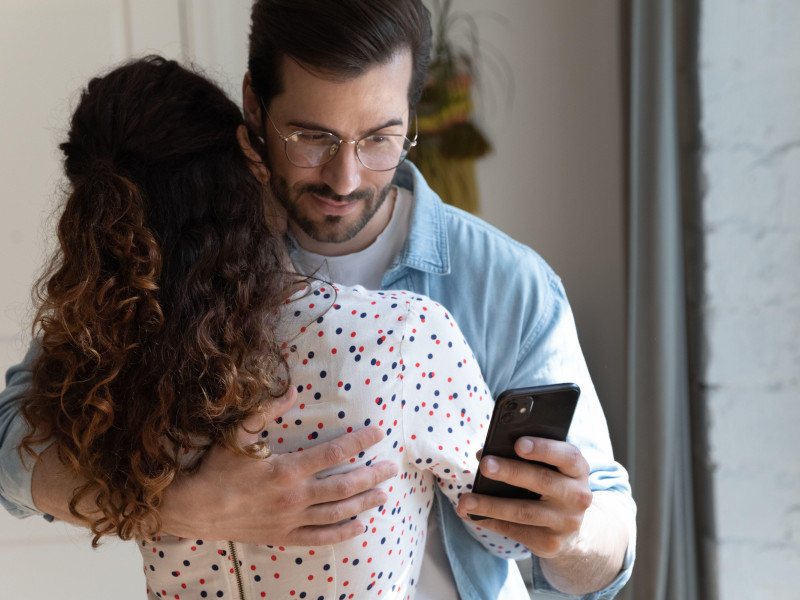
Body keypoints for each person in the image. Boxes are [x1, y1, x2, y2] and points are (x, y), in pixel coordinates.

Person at [0, 1, 636, 599]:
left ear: (412, 120)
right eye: (312, 136)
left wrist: (572, 531)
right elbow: (10, 446)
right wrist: (183, 501)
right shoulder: (163, 271)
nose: (346, 177)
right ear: (253, 105)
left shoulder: (507, 284)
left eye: (381, 138)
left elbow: (606, 543)